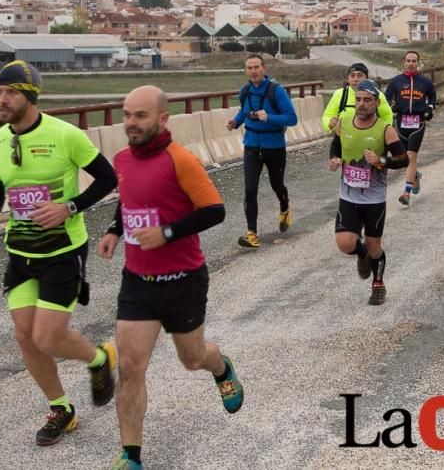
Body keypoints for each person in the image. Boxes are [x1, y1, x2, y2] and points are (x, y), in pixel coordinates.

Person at [0, 60, 119, 447]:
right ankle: (61, 409)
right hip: (19, 251)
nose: (1, 99)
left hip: (62, 250)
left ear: (29, 97)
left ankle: (100, 359)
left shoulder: (65, 135)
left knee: (47, 337)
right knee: (25, 336)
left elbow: (108, 178)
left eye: (10, 92)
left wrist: (68, 207)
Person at [98, 86, 243, 470]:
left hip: (183, 279)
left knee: (192, 359)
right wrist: (115, 230)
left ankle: (221, 367)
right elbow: (129, 201)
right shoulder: (122, 160)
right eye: (126, 114)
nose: (130, 122)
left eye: (140, 115)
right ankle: (131, 455)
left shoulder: (181, 160)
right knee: (130, 367)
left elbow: (214, 210)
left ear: (163, 119)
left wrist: (166, 233)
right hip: (138, 282)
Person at [329, 80, 408, 305]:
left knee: (375, 245)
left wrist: (381, 160)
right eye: (358, 100)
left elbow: (403, 159)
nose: (362, 104)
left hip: (374, 199)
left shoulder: (385, 129)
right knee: (345, 243)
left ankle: (378, 283)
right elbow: (336, 146)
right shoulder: (344, 122)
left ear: (376, 102)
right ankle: (360, 253)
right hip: (348, 196)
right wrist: (334, 159)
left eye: (367, 100)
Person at [226, 54, 298, 248]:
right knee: (250, 189)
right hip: (251, 144)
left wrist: (269, 118)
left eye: (256, 67)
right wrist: (235, 122)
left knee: (277, 185)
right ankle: (252, 234)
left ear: (264, 69)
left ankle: (285, 208)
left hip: (274, 145)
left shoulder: (277, 91)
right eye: (249, 68)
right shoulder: (245, 91)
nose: (253, 71)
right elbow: (243, 111)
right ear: (245, 71)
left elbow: (292, 119)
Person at [384, 50, 437, 206]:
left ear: (418, 63)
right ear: (404, 62)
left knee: (411, 156)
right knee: (404, 158)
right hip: (401, 123)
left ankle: (406, 192)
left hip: (418, 123)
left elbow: (432, 96)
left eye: (414, 61)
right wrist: (391, 108)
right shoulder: (395, 82)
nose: (411, 63)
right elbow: (385, 99)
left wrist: (430, 108)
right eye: (409, 60)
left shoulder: (425, 82)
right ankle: (415, 177)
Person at [322, 62, 393, 133]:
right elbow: (327, 116)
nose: (355, 79)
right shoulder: (340, 94)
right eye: (352, 76)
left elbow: (387, 116)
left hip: (370, 138)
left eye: (359, 76)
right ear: (348, 79)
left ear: (366, 78)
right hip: (345, 138)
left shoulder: (377, 95)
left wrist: (383, 133)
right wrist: (329, 124)